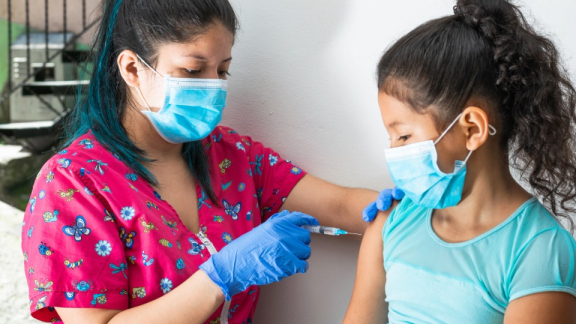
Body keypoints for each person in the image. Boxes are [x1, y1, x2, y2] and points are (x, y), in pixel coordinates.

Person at [20, 1, 400, 323]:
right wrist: (218, 278)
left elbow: (339, 205)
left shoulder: (230, 155)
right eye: (192, 70)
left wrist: (421, 209)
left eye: (222, 70)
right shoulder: (72, 184)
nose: (213, 86)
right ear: (132, 69)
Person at [345, 0, 576, 322]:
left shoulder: (539, 249)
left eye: (404, 137)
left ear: (472, 129)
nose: (395, 153)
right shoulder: (392, 223)